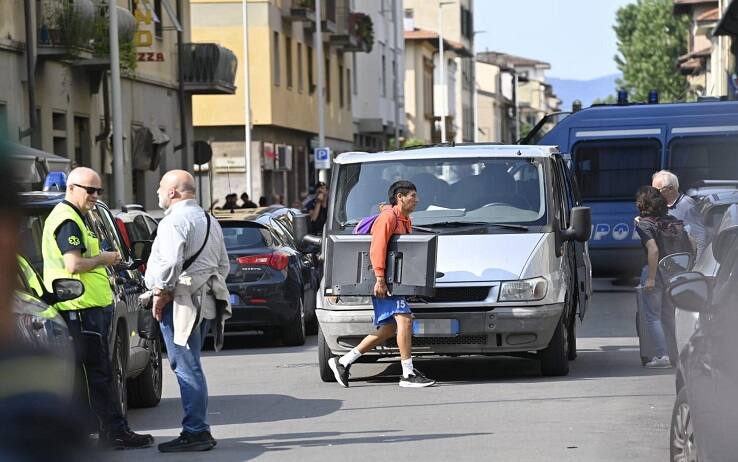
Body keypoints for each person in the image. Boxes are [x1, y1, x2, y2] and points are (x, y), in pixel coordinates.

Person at [40, 167, 154, 448]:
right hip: (80, 310)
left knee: (94, 374)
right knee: (99, 375)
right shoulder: (67, 220)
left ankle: (102, 431)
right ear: (71, 188)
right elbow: (74, 264)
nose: (95, 195)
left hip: (87, 309)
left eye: (99, 190)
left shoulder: (79, 216)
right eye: (89, 190)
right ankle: (113, 432)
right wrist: (104, 258)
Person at [145, 170, 232, 453]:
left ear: (172, 192)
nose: (158, 191)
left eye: (161, 186)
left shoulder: (174, 221)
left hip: (179, 303)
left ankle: (196, 431)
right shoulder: (209, 219)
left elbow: (170, 262)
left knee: (186, 366)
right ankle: (198, 428)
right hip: (205, 302)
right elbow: (223, 266)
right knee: (191, 363)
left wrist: (161, 291)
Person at [328, 180, 436, 388]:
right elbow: (377, 248)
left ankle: (343, 361)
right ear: (400, 197)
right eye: (413, 195)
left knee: (388, 329)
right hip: (385, 282)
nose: (417, 200)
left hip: (394, 282)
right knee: (404, 320)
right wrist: (379, 279)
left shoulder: (405, 220)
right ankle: (407, 374)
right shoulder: (388, 218)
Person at [634, 186, 686, 369]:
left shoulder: (644, 225)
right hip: (673, 270)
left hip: (654, 272)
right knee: (669, 316)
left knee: (652, 317)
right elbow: (692, 244)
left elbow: (653, 250)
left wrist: (650, 278)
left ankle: (661, 355)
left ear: (642, 204)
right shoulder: (671, 221)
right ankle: (675, 354)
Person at [652, 170, 706, 261]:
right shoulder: (662, 206)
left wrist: (698, 265)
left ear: (671, 188)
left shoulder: (687, 205)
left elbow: (700, 238)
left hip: (683, 263)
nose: (654, 194)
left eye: (658, 190)